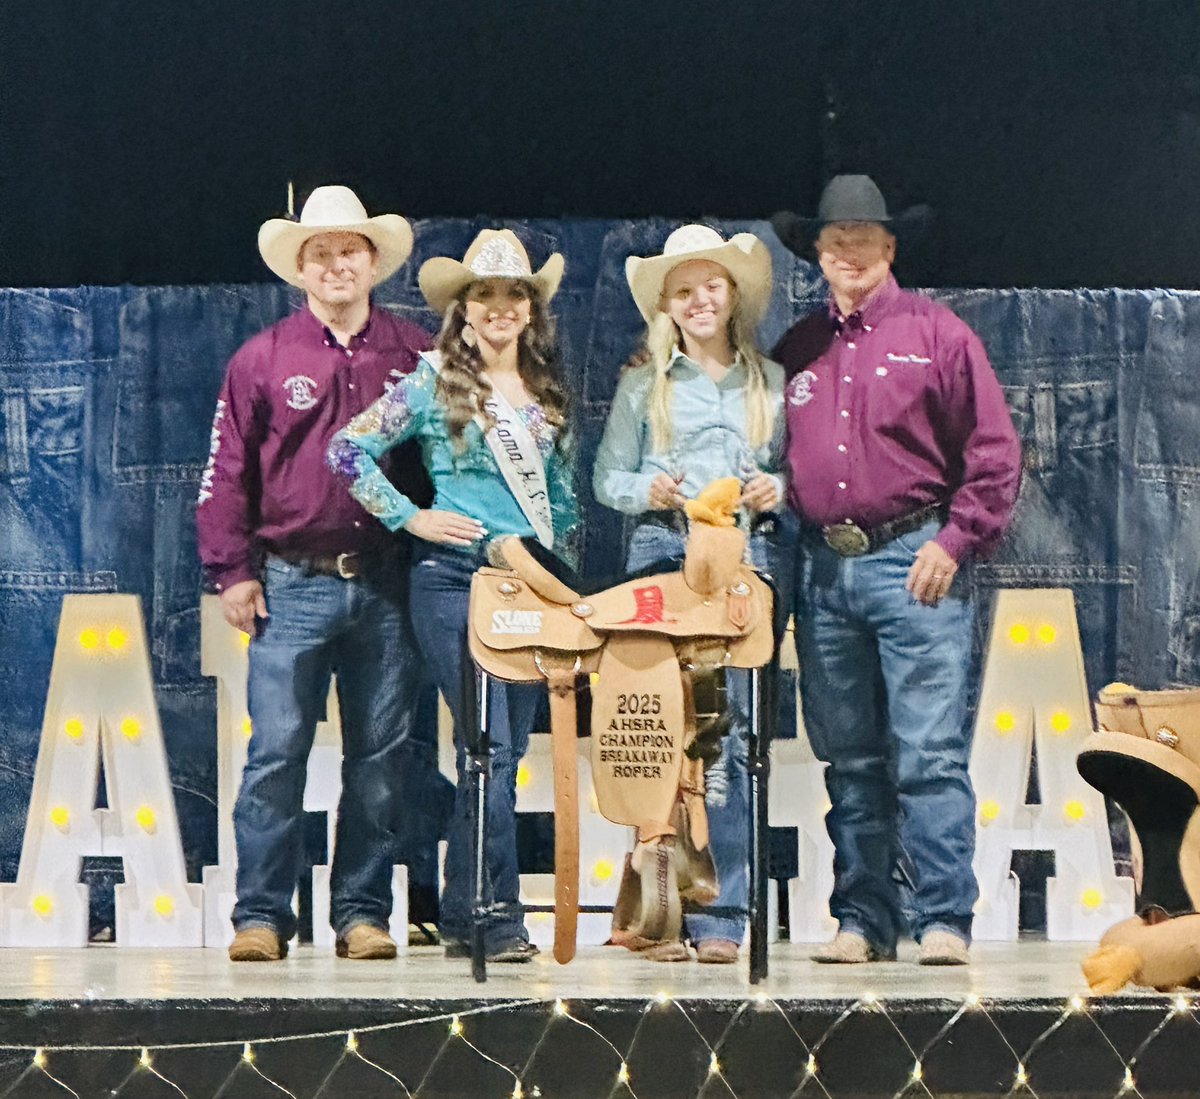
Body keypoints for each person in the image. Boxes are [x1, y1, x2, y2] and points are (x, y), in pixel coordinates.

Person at [770, 174, 1022, 965]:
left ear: (890, 247)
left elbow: (994, 454)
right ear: (817, 251)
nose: (848, 250)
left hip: (912, 561)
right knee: (849, 758)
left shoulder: (939, 336)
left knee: (929, 752)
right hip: (824, 569)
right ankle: (863, 918)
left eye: (863, 238)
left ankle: (945, 915)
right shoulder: (797, 349)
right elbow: (773, 457)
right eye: (835, 239)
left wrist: (952, 542)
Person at [196, 185, 433, 962]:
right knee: (276, 752)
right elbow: (227, 472)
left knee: (380, 755)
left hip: (386, 581)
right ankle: (260, 914)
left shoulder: (415, 355)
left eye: (349, 251)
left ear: (374, 262)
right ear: (301, 267)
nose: (337, 264)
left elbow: (444, 464)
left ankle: (361, 911)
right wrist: (232, 569)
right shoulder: (262, 359)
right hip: (290, 582)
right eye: (321, 252)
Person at [328, 228, 576, 962]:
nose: (499, 307)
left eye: (513, 294)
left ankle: (466, 909)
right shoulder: (431, 382)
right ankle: (498, 916)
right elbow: (347, 447)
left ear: (530, 309)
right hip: (454, 581)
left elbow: (563, 505)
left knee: (504, 754)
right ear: (463, 309)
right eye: (485, 294)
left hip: (532, 585)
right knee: (488, 746)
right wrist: (412, 516)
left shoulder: (550, 393)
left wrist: (565, 589)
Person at [593, 224, 786, 963]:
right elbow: (609, 480)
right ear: (668, 306)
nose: (700, 300)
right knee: (651, 734)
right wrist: (652, 485)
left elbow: (790, 479)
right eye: (684, 290)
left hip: (738, 555)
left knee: (728, 737)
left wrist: (777, 490)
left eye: (711, 286)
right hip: (659, 551)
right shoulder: (645, 386)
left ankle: (723, 913)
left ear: (732, 295)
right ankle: (659, 911)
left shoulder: (766, 382)